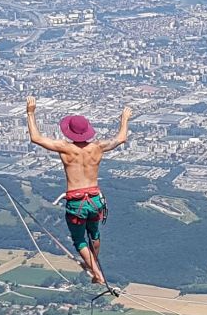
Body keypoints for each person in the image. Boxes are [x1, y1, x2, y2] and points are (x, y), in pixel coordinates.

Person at [25, 96, 131, 290]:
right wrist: (124, 119)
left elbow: (36, 138)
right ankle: (93, 264)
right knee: (95, 233)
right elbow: (121, 138)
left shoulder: (66, 148)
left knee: (80, 240)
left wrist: (31, 113)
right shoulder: (97, 147)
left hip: (76, 202)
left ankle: (96, 273)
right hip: (95, 199)